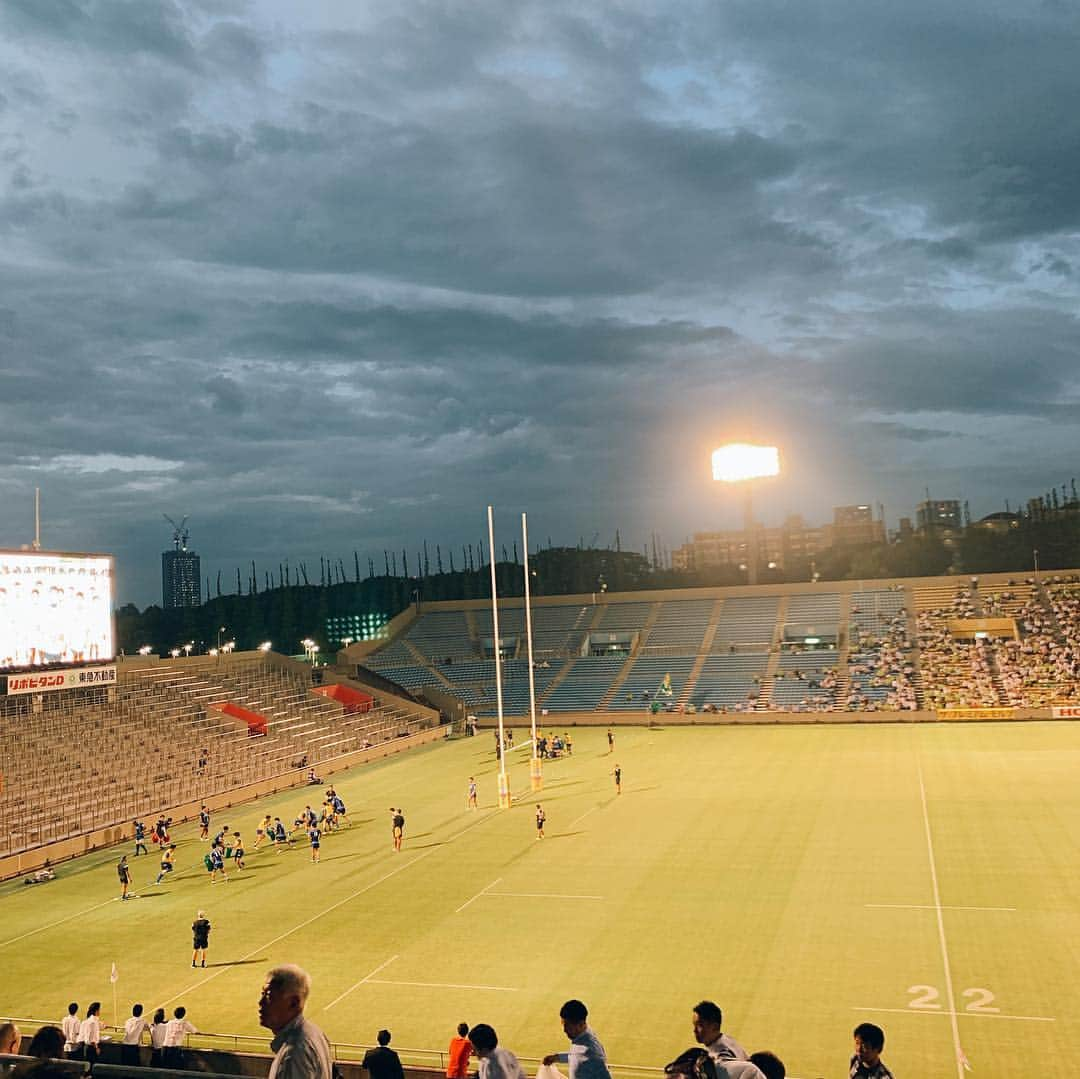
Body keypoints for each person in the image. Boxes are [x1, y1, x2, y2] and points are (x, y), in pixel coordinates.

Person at [258, 963, 333, 1079]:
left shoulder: (293, 1055)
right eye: (262, 994)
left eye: (268, 996)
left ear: (293, 1003)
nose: (261, 1002)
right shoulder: (314, 1033)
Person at [542, 999, 611, 1079]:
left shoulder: (592, 1054)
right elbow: (577, 1055)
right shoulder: (582, 1038)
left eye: (568, 1026)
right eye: (564, 1024)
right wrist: (557, 1057)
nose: (564, 1030)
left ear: (581, 1024)